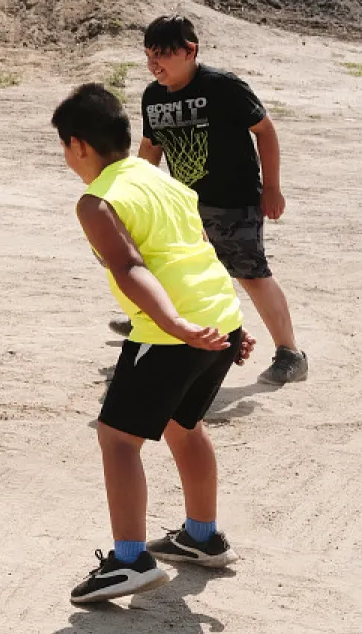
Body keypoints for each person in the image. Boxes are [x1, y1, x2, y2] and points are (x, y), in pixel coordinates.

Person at [54, 84, 256, 604]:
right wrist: (231, 323)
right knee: (184, 425)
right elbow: (199, 254)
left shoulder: (98, 200)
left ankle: (129, 561)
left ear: (78, 145)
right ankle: (202, 536)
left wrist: (176, 325)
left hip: (177, 331)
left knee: (117, 438)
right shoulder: (163, 182)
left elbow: (130, 267)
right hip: (218, 319)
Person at [115, 15, 308, 385]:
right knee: (174, 268)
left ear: (191, 51)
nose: (154, 64)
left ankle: (290, 353)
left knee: (250, 274)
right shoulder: (153, 96)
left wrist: (272, 188)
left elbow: (265, 131)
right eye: (149, 56)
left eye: (163, 56)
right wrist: (135, 194)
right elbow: (151, 148)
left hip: (235, 201)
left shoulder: (223, 87)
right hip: (185, 206)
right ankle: (154, 328)